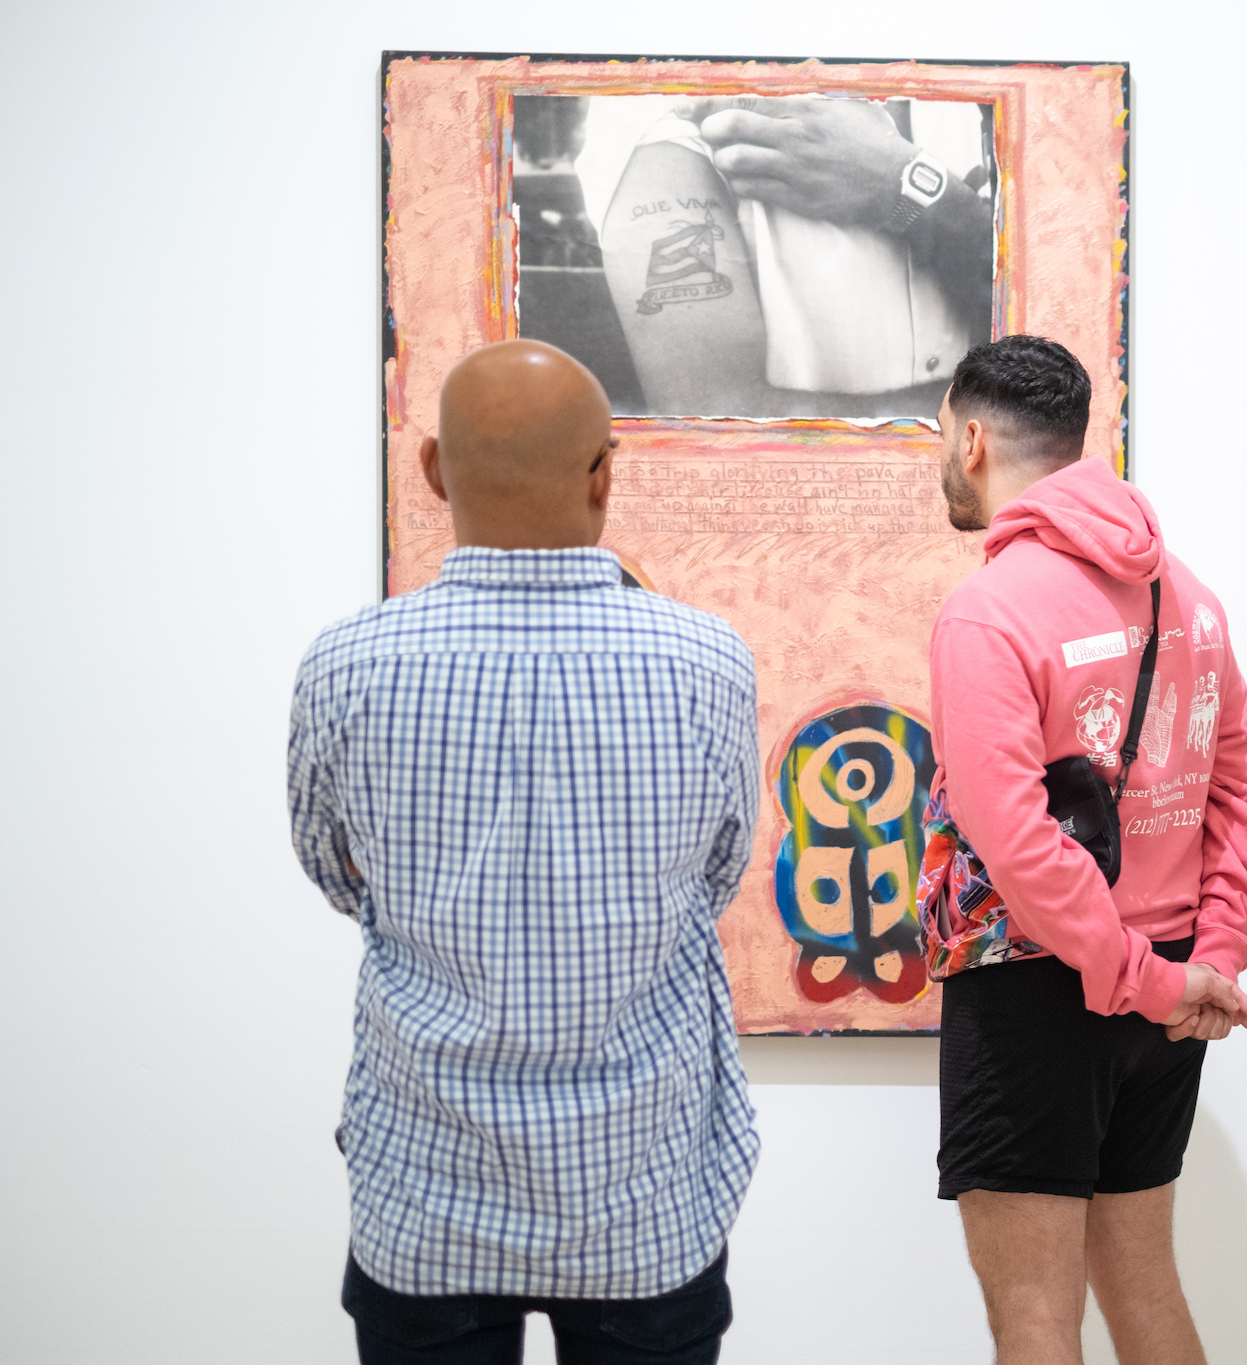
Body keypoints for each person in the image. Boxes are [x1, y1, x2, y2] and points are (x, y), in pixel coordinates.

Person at [288, 339, 762, 1363]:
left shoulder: (345, 665)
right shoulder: (704, 661)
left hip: (424, 1193)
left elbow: (333, 869)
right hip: (641, 1193)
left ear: (431, 472)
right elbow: (718, 873)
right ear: (605, 474)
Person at [922, 335, 1247, 1364]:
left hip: (1042, 984)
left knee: (1035, 1316)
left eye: (941, 436)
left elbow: (1017, 844)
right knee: (1143, 1286)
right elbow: (1244, 786)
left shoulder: (986, 613)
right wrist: (1205, 959)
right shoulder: (1185, 593)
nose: (939, 457)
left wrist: (1139, 981)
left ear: (975, 440)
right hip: (1161, 986)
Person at [582, 94, 994, 419]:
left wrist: (918, 194)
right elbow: (716, 424)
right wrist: (1009, 416)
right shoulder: (659, 109)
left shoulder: (976, 88)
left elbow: (1051, 317)